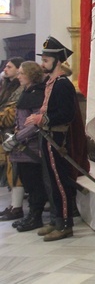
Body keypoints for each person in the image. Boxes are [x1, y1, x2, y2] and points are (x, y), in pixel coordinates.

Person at [26, 37, 88, 242]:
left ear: (57, 61)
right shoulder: (51, 83)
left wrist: (40, 118)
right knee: (50, 181)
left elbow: (66, 114)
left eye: (46, 60)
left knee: (59, 182)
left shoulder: (62, 85)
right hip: (48, 136)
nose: (42, 64)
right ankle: (55, 219)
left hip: (57, 138)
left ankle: (64, 224)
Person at [5, 61, 47, 232]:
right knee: (28, 183)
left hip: (32, 148)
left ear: (31, 75)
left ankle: (35, 217)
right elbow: (21, 118)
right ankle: (31, 215)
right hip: (21, 148)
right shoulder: (26, 92)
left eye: (22, 73)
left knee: (35, 184)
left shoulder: (38, 93)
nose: (18, 76)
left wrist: (17, 137)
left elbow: (35, 123)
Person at [0, 57, 25, 220]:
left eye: (9, 67)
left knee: (15, 172)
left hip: (16, 134)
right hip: (6, 135)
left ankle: (17, 207)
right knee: (10, 172)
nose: (5, 69)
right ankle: (13, 205)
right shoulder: (7, 87)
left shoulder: (20, 90)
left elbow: (12, 114)